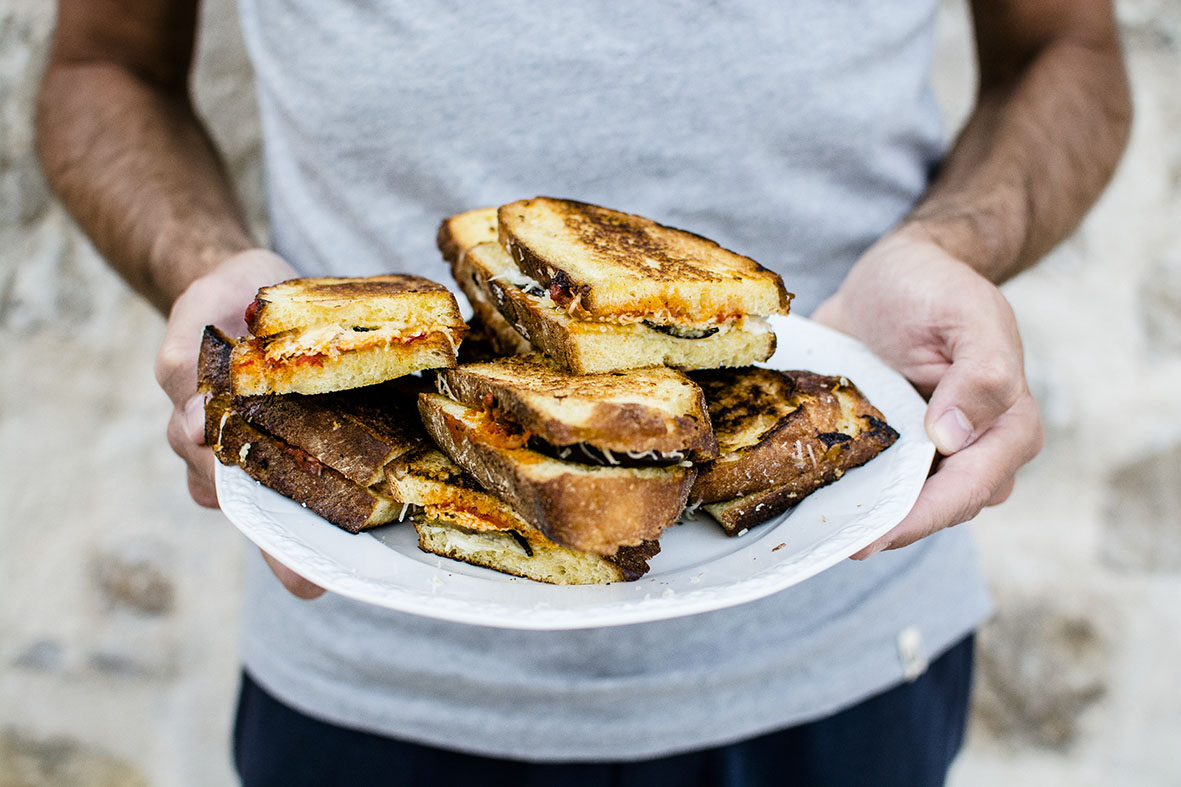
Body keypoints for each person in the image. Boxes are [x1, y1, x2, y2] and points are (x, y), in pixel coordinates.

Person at [36, 1, 1130, 785]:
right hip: (366, 658)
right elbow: (103, 67)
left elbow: (1065, 46)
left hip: (841, 642)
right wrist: (208, 273)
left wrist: (954, 243)